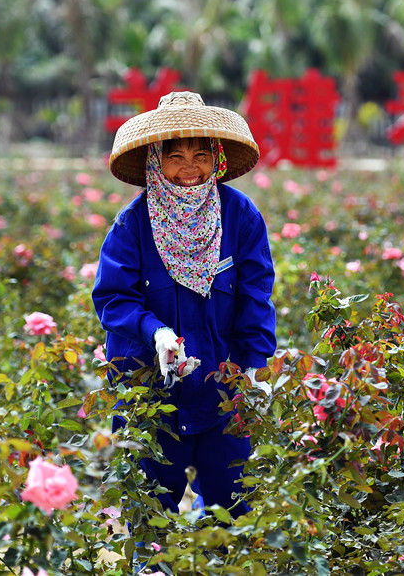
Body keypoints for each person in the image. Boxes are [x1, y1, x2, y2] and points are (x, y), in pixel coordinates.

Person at [92, 91, 276, 519]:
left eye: (200, 155)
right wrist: (154, 332)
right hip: (151, 391)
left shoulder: (240, 216)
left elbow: (256, 295)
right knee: (150, 512)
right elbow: (113, 297)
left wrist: (255, 368)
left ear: (217, 159)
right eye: (175, 156)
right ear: (155, 162)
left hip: (223, 388)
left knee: (234, 511)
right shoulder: (132, 224)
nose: (189, 168)